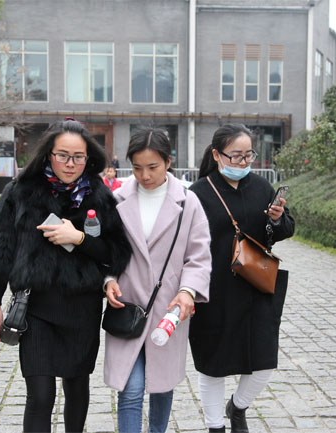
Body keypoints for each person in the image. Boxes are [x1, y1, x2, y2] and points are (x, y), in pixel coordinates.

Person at [0, 119, 132, 433]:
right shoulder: (20, 192)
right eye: (63, 155)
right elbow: (1, 250)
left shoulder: (99, 195)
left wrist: (79, 238)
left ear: (88, 158)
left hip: (82, 308)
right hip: (36, 308)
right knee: (40, 395)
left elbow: (116, 252)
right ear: (48, 154)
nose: (70, 164)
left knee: (76, 388)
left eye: (78, 157)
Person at [103, 127, 212, 433]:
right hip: (127, 305)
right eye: (137, 167)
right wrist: (108, 279)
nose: (145, 175)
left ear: (168, 162)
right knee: (131, 389)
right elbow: (106, 251)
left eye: (152, 167)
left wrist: (188, 291)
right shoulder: (116, 199)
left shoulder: (188, 202)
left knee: (161, 386)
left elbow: (199, 255)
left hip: (168, 308)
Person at [188, 124, 295, 433]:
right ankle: (215, 427)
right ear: (217, 155)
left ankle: (237, 406)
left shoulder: (261, 187)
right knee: (213, 363)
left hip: (256, 287)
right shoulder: (198, 193)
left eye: (249, 155)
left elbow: (284, 231)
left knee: (263, 362)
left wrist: (278, 219)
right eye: (236, 156)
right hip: (214, 290)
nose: (244, 162)